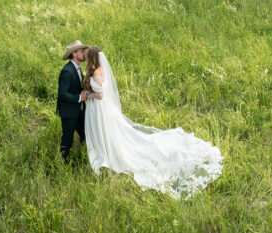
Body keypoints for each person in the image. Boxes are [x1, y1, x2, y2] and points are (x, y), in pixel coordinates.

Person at [82, 46, 223, 199]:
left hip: (100, 108)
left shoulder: (96, 72)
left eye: (87, 55)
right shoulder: (100, 69)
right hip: (102, 109)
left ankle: (107, 153)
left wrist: (87, 94)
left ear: (92, 58)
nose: (85, 57)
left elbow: (100, 95)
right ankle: (106, 149)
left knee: (107, 131)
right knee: (108, 131)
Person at [56, 40, 88, 164]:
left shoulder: (79, 69)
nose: (83, 54)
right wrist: (79, 98)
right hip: (69, 111)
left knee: (85, 132)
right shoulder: (67, 71)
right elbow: (62, 94)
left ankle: (83, 154)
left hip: (79, 109)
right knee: (68, 138)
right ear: (74, 54)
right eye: (81, 51)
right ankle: (64, 161)